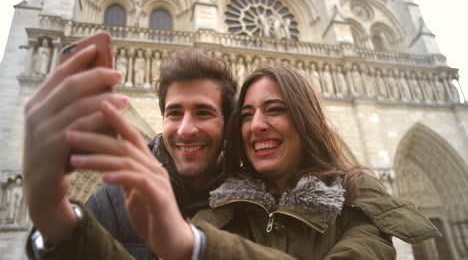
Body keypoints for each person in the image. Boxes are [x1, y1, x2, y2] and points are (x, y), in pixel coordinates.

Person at [27, 65, 440, 260]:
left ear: (306, 120)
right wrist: (56, 217)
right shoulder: (225, 206)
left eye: (274, 109)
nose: (257, 124)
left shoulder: (356, 204)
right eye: (246, 114)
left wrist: (198, 247)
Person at [84, 48, 237, 259]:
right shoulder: (108, 203)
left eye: (203, 113)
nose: (185, 129)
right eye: (174, 113)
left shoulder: (252, 206)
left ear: (228, 123)